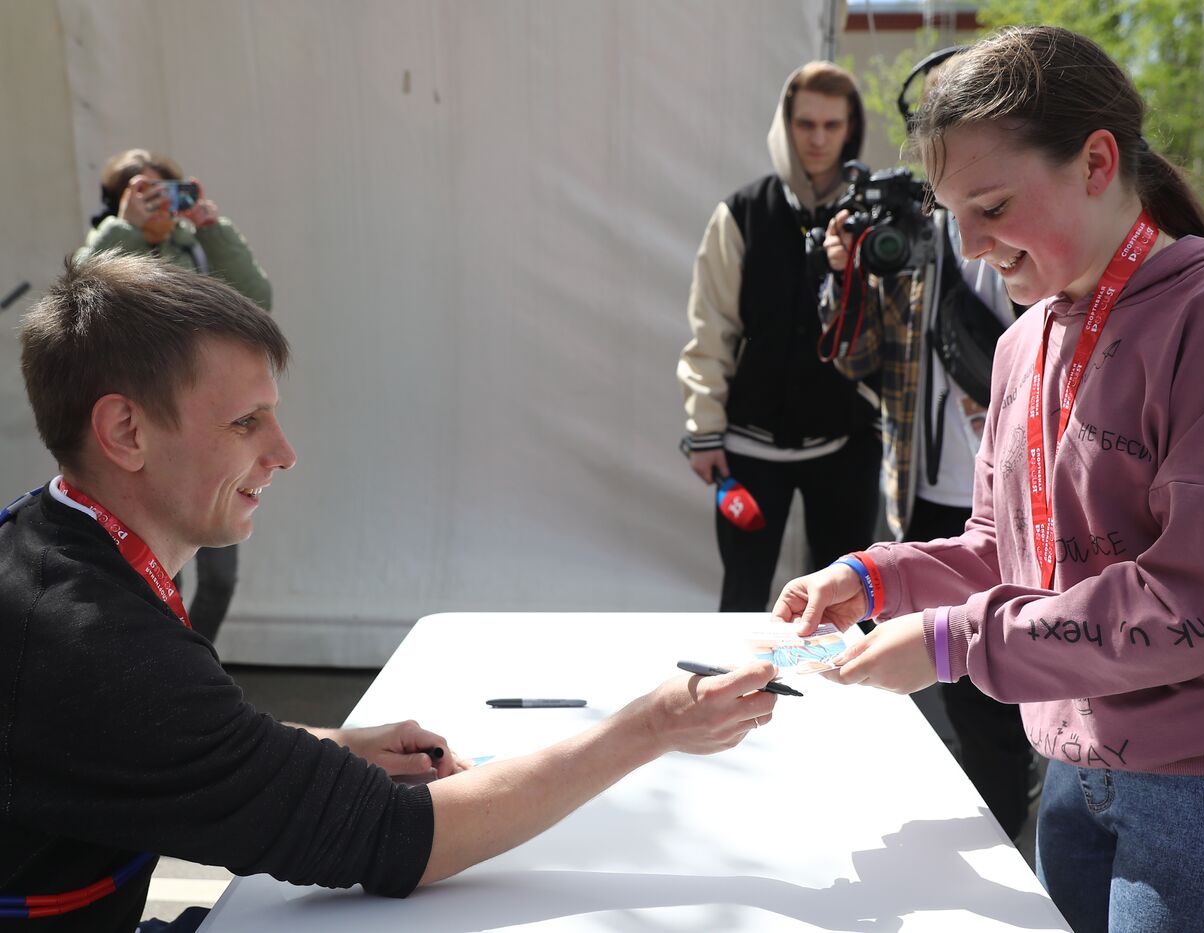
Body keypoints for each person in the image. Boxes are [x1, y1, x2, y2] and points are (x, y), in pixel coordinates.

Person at [1, 253, 780, 932]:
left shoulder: (43, 543)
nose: (284, 452)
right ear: (126, 432)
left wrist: (331, 746)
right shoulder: (98, 651)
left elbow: (146, 747)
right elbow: (399, 838)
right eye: (246, 422)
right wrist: (651, 726)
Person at [772, 26, 1204, 931]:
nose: (969, 244)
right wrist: (872, 577)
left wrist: (956, 642)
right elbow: (1006, 549)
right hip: (1080, 763)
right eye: (952, 213)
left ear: (1096, 161)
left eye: (991, 205)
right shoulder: (1022, 342)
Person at [816, 48, 1033, 840]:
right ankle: (993, 828)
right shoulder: (907, 236)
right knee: (961, 700)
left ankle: (1010, 828)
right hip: (929, 495)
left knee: (1003, 696)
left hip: (1019, 496)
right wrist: (847, 279)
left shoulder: (1028, 239)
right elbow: (862, 361)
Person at [677, 61, 881, 611]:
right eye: (805, 124)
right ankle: (732, 697)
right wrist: (705, 429)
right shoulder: (741, 213)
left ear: (850, 129)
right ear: (784, 126)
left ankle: (843, 697)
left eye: (831, 125)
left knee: (844, 606)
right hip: (748, 446)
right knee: (743, 598)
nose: (818, 139)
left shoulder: (871, 218)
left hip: (843, 444)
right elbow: (711, 328)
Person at [75, 148, 274, 644]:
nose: (157, 201)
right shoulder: (108, 248)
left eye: (166, 190)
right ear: (118, 200)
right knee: (159, 569)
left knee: (221, 571)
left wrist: (213, 228)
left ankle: (193, 655)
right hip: (147, 430)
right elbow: (85, 293)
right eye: (142, 191)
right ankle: (169, 664)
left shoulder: (197, 250)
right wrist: (125, 229)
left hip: (209, 426)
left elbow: (256, 300)